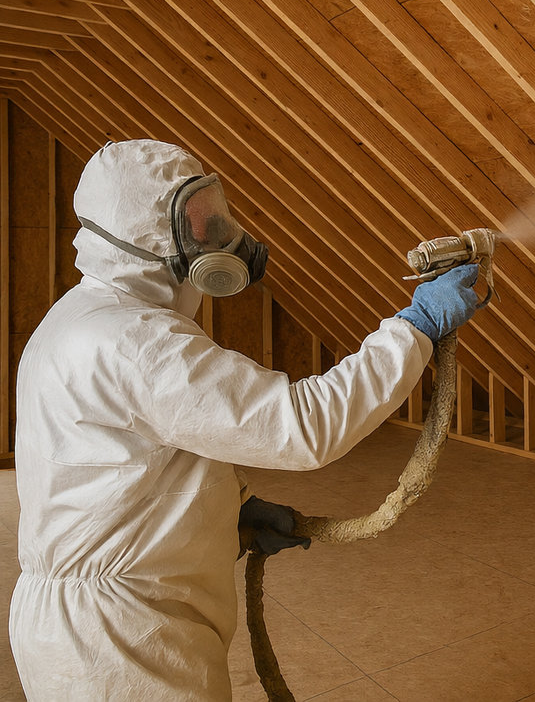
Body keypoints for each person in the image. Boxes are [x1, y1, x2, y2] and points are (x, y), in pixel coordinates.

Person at [9, 139, 481, 700]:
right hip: (122, 643)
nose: (220, 236)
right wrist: (416, 327)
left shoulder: (85, 318)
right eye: (198, 224)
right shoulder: (132, 341)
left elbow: (127, 468)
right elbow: (303, 426)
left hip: (104, 621)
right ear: (146, 236)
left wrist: (225, 514)